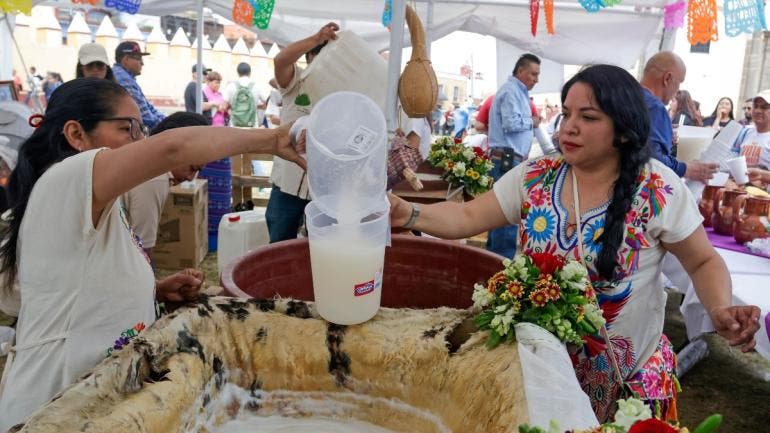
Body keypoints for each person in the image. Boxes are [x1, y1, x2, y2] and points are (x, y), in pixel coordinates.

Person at [388, 64, 761, 423]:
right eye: (566, 114)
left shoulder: (657, 188)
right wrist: (409, 215)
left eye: (589, 117)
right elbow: (468, 217)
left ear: (623, 129)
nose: (570, 127)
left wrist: (720, 307)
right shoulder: (537, 177)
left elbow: (702, 262)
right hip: (541, 373)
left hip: (626, 383)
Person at [0, 78, 305, 431]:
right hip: (56, 402)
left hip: (94, 402)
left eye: (141, 130)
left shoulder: (102, 204)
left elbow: (80, 282)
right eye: (127, 129)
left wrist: (155, 290)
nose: (139, 141)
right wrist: (273, 138)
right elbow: (174, 148)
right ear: (76, 134)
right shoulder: (67, 178)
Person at [266, 22, 338, 243]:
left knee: (322, 244)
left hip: (326, 188)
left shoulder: (342, 92)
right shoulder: (294, 81)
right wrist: (317, 38)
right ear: (309, 59)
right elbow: (280, 60)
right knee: (279, 241)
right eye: (320, 56)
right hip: (287, 181)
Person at [121, 112, 209, 262]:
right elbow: (142, 250)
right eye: (192, 168)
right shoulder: (155, 178)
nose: (190, 178)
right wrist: (155, 286)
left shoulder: (143, 158)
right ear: (173, 147)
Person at [486, 53, 541, 258]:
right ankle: (500, 266)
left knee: (498, 216)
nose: (536, 79)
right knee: (506, 216)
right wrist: (532, 122)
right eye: (533, 74)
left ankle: (493, 263)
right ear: (520, 71)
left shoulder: (516, 92)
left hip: (507, 159)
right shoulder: (511, 92)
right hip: (507, 160)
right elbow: (511, 124)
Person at [639, 52, 718, 183]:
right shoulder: (655, 107)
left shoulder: (626, 97)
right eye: (679, 83)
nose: (677, 90)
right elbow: (653, 162)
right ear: (668, 78)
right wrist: (687, 169)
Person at [113, 41, 165, 130]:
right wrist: (169, 127)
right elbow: (145, 118)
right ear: (126, 60)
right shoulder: (123, 78)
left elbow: (149, 109)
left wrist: (170, 122)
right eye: (139, 58)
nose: (142, 63)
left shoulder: (126, 76)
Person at [731, 90, 770, 168]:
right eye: (755, 106)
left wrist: (762, 175)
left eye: (764, 107)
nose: (757, 111)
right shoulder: (744, 133)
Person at [224, 62, 264, 127]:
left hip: (235, 125)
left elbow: (224, 106)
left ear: (238, 72)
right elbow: (266, 102)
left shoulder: (230, 86)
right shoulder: (257, 86)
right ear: (250, 72)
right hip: (252, 125)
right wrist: (255, 106)